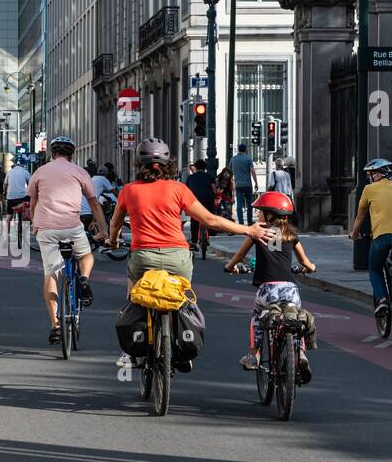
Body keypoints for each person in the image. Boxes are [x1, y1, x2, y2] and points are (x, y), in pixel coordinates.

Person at [108, 139, 272, 368]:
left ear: (139, 164)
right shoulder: (179, 190)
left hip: (143, 257)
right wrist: (248, 229)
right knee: (181, 298)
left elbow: (115, 224)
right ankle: (181, 346)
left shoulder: (128, 191)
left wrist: (113, 241)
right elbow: (210, 220)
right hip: (178, 258)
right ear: (168, 165)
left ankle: (131, 352)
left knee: (135, 295)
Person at [222, 192, 318, 380]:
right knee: (294, 319)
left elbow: (239, 256)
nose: (258, 215)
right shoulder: (291, 234)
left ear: (269, 215)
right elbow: (305, 262)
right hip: (290, 290)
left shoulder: (258, 234)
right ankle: (301, 354)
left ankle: (255, 354)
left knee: (258, 317)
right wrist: (310, 268)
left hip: (268, 290)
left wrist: (230, 266)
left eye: (260, 211)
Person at [28, 136, 106, 346]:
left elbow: (33, 202)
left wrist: (35, 225)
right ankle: (85, 279)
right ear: (72, 154)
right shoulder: (80, 172)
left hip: (46, 229)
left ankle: (55, 325)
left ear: (52, 154)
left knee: (51, 274)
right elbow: (95, 204)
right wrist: (103, 231)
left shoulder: (40, 172)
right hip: (72, 227)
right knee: (86, 255)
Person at [348, 158, 392, 319]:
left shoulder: (369, 190)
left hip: (382, 235)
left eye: (371, 174)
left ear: (379, 174)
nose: (369, 177)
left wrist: (354, 234)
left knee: (375, 268)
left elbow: (360, 217)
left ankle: (383, 299)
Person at [229, 144, 257, 224]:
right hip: (247, 184)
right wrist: (256, 182)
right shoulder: (248, 158)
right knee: (249, 204)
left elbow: (229, 171)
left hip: (238, 184)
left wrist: (231, 182)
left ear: (238, 149)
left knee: (239, 204)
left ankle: (241, 222)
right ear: (245, 150)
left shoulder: (233, 159)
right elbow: (252, 171)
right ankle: (249, 221)